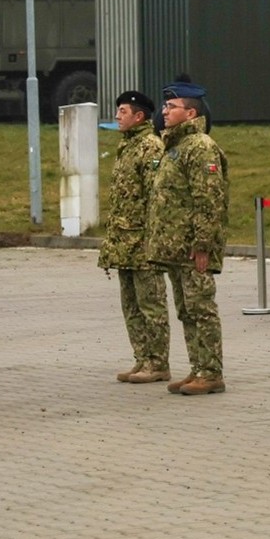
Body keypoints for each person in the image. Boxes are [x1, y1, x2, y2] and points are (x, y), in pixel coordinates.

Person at [147, 80, 229, 396]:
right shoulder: (175, 146)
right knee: (186, 310)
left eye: (171, 107)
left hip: (193, 248)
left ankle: (211, 372)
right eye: (165, 106)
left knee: (201, 308)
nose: (164, 112)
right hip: (175, 248)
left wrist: (203, 245)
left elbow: (208, 199)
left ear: (190, 112)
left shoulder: (200, 147)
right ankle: (198, 368)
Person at [99, 91, 170, 384]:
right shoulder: (127, 146)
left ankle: (158, 362)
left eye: (123, 111)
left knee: (151, 304)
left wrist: (153, 239)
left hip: (143, 242)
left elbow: (157, 197)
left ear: (139, 116)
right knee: (130, 304)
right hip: (123, 242)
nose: (117, 116)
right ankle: (142, 358)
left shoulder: (150, 147)